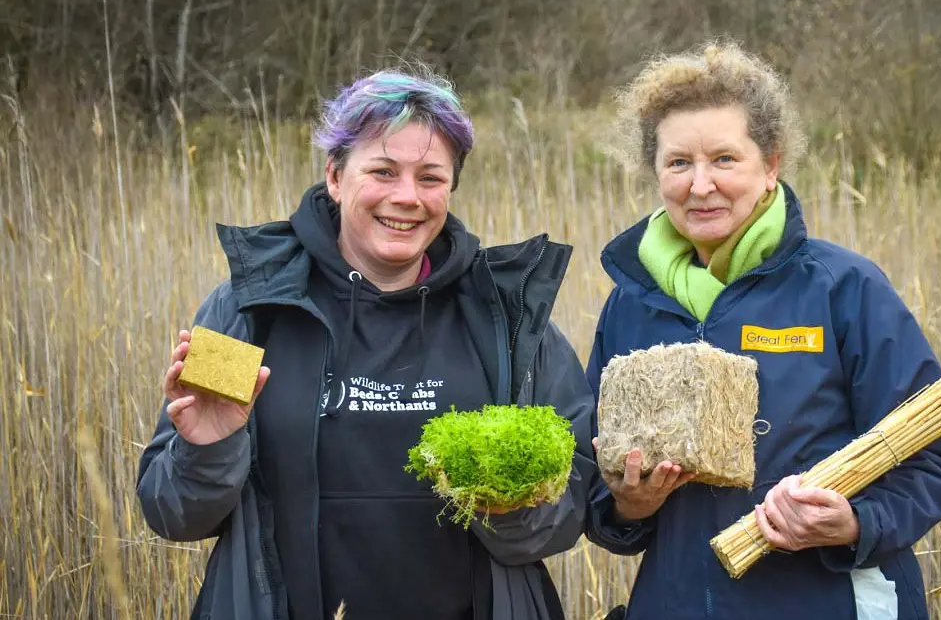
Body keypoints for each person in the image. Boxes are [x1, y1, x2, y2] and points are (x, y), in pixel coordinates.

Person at [136, 65, 596, 620]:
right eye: (382, 171)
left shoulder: (506, 317)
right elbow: (173, 515)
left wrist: (506, 503)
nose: (407, 197)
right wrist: (208, 449)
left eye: (430, 177)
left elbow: (569, 513)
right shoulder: (250, 307)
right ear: (334, 176)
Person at [583, 41, 941, 619]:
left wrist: (855, 523)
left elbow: (932, 458)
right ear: (656, 172)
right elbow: (597, 494)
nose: (700, 184)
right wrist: (628, 505)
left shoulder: (843, 288)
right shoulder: (630, 305)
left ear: (771, 165)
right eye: (679, 162)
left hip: (829, 602)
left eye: (725, 159)